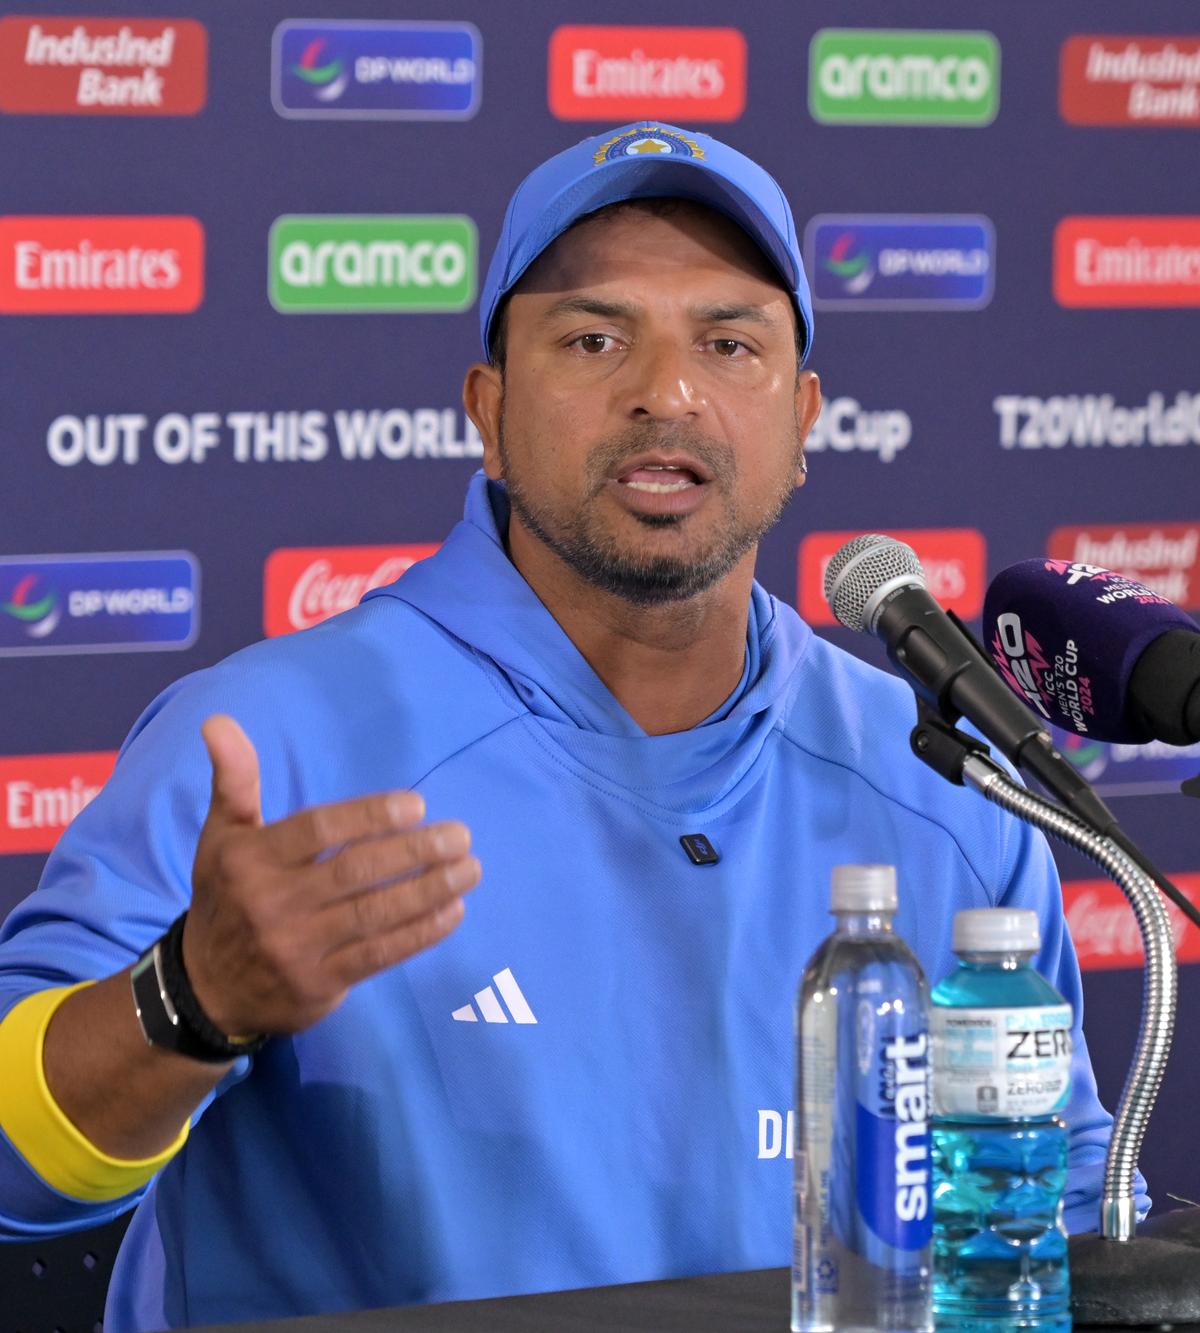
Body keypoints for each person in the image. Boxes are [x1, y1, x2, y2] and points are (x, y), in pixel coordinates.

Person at [0, 122, 1142, 1330]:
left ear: (803, 418)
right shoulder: (261, 746)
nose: (668, 391)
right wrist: (191, 996)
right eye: (594, 339)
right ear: (487, 411)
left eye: (729, 341)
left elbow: (1047, 1222)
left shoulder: (944, 777)